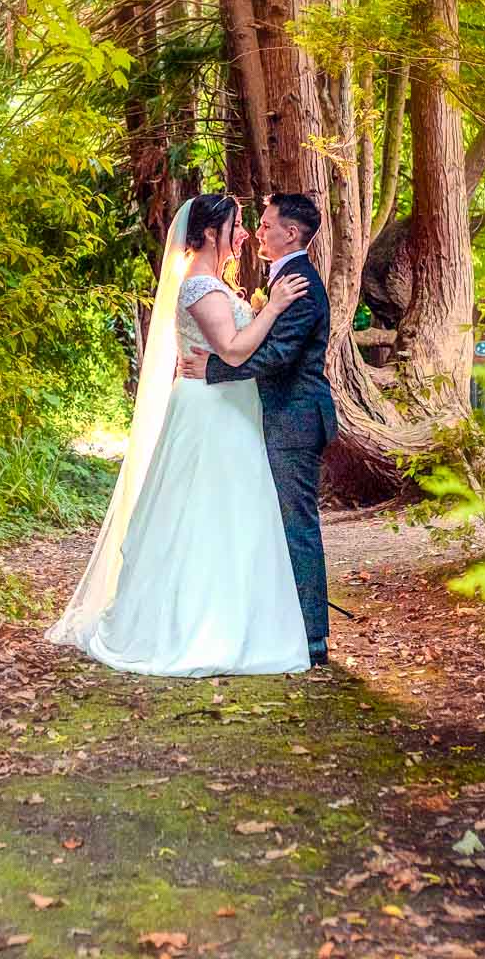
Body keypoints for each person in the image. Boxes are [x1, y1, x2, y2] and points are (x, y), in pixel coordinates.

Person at [46, 194, 313, 676]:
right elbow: (232, 351)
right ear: (212, 233)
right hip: (210, 413)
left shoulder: (213, 283)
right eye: (236, 226)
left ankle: (236, 621)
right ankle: (192, 626)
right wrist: (271, 309)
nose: (245, 234)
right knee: (202, 512)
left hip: (229, 410)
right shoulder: (198, 285)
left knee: (231, 514)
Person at [179, 192, 337, 666]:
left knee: (297, 527)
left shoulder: (300, 283)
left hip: (294, 416)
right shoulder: (280, 279)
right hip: (261, 416)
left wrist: (213, 370)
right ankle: (271, 623)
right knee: (265, 522)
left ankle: (312, 638)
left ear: (291, 233)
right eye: (254, 224)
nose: (257, 233)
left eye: (266, 225)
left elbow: (277, 357)